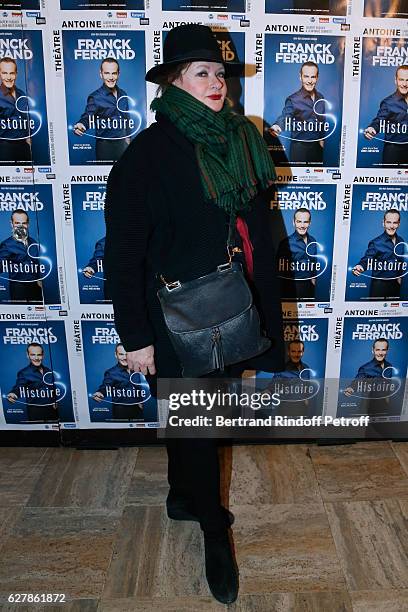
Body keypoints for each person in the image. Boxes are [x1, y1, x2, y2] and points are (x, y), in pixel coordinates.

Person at [104, 24, 284, 604]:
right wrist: (134, 336)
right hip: (174, 318)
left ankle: (184, 497)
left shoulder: (242, 139)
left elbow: (260, 222)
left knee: (204, 421)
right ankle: (213, 527)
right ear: (175, 83)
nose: (217, 83)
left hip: (233, 308)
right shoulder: (147, 157)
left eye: (220, 72)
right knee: (200, 427)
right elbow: (124, 255)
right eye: (201, 72)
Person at [74, 59, 132, 162]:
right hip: (105, 147)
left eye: (114, 73)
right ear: (101, 74)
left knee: (124, 176)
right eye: (107, 73)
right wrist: (81, 124)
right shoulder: (95, 97)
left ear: (118, 74)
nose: (110, 77)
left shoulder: (123, 94)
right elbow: (87, 116)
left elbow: (126, 118)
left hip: (123, 145)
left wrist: (128, 138)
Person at [269, 62, 326, 164]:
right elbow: (285, 116)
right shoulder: (293, 99)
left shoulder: (321, 97)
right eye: (306, 76)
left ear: (317, 78)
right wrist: (277, 126)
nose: (309, 81)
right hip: (299, 149)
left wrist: (322, 139)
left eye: (313, 77)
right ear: (300, 77)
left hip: (317, 148)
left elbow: (322, 120)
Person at [352, 209, 407, 299]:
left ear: (399, 224)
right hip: (379, 287)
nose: (392, 226)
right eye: (388, 222)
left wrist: (399, 279)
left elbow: (401, 262)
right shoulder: (376, 242)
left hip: (396, 286)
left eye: (395, 223)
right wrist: (360, 266)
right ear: (383, 223)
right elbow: (367, 259)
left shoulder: (401, 241)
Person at [363, 65, 408, 165]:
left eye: (407, 80)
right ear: (395, 80)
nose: (404, 84)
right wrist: (372, 128)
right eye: (401, 80)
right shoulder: (388, 102)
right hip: (394, 153)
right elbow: (379, 120)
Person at [6, 343, 58, 422]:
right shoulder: (24, 373)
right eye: (33, 355)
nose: (36, 358)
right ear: (28, 355)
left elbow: (53, 389)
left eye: (39, 355)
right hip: (36, 413)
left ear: (43, 355)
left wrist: (55, 400)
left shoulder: (49, 371)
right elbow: (19, 387)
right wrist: (14, 393)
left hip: (53, 412)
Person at [92, 343, 145, 420]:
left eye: (127, 354)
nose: (124, 357)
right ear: (116, 355)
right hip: (121, 412)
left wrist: (140, 402)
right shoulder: (111, 373)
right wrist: (100, 393)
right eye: (121, 354)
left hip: (138, 410)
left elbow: (140, 388)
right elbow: (105, 387)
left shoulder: (138, 369)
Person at [0, 209, 43, 302]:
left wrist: (40, 279)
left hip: (36, 288)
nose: (20, 226)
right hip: (18, 288)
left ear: (28, 224)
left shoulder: (33, 242)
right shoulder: (6, 244)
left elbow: (38, 263)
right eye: (17, 223)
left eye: (24, 223)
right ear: (11, 224)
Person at [276, 208, 317, 300]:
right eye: (299, 221)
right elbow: (279, 268)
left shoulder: (313, 241)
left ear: (309, 223)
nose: (302, 225)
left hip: (310, 286)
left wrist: (314, 278)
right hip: (293, 287)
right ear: (294, 222)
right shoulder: (285, 243)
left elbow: (314, 262)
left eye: (305, 222)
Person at [0, 57, 31, 163]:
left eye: (11, 73)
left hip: (24, 148)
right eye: (4, 73)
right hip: (4, 148)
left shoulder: (22, 94)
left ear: (16, 74)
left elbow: (27, 120)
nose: (8, 77)